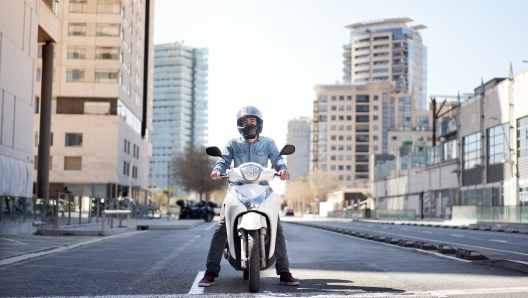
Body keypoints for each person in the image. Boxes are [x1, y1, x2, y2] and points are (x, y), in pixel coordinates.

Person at [198, 106, 299, 287]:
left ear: (258, 123)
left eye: (252, 121)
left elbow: (277, 159)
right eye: (245, 122)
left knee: (277, 227)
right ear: (240, 125)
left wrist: (282, 169)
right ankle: (211, 272)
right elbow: (223, 160)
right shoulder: (233, 143)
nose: (248, 124)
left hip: (262, 188)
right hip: (237, 188)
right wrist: (217, 171)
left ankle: (284, 272)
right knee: (222, 228)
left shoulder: (268, 143)